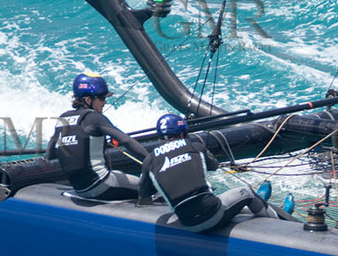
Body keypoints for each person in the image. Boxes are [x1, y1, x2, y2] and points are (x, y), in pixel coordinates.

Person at [136, 114, 278, 231]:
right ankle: (278, 224)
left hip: (187, 223)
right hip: (212, 216)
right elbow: (214, 165)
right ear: (182, 133)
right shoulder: (195, 146)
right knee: (247, 192)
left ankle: (256, 208)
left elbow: (144, 197)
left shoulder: (149, 160)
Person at [47, 74, 150, 201]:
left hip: (79, 188)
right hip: (100, 185)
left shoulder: (62, 119)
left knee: (119, 174)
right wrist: (153, 162)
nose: (105, 102)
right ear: (88, 100)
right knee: (149, 185)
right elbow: (127, 141)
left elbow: (50, 155)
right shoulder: (95, 118)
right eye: (101, 98)